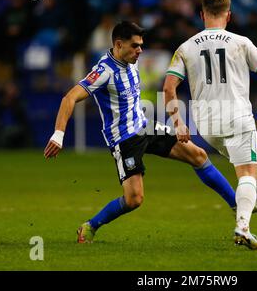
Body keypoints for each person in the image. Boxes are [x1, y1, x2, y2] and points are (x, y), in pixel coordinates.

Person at [43, 21, 239, 243]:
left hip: (146, 126)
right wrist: (58, 135)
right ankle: (91, 225)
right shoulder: (104, 71)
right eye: (135, 46)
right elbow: (69, 98)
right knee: (134, 199)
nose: (140, 51)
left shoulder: (132, 61)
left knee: (199, 155)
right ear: (118, 44)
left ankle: (236, 205)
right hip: (125, 139)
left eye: (141, 45)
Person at [164, 0, 257, 251]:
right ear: (229, 15)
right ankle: (242, 227)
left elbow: (168, 88)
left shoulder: (186, 47)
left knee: (246, 170)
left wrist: (178, 123)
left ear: (201, 15)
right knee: (247, 171)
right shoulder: (240, 42)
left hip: (207, 125)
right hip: (237, 117)